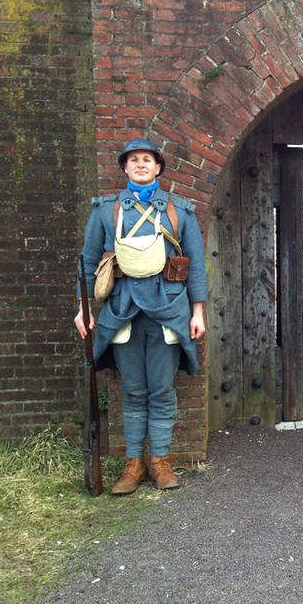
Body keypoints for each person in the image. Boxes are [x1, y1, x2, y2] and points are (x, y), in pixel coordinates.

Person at [74, 139, 208, 494]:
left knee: (162, 389)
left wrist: (197, 312)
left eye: (147, 159)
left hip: (168, 308)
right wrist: (82, 309)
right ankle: (133, 464)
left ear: (158, 167)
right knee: (133, 391)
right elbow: (88, 263)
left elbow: (194, 266)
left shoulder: (181, 210)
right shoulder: (105, 210)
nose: (140, 165)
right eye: (133, 160)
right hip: (122, 309)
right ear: (125, 168)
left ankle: (160, 462)